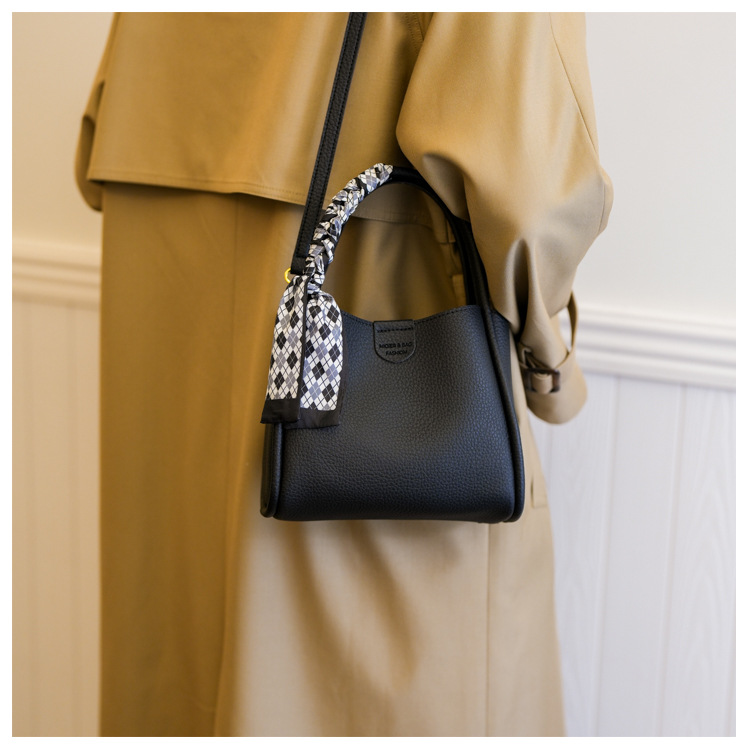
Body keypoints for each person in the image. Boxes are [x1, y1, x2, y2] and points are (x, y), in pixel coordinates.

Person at [76, 12, 613, 736]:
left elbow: (98, 133)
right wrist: (553, 365)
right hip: (389, 388)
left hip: (169, 321)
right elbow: (527, 191)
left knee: (178, 682)